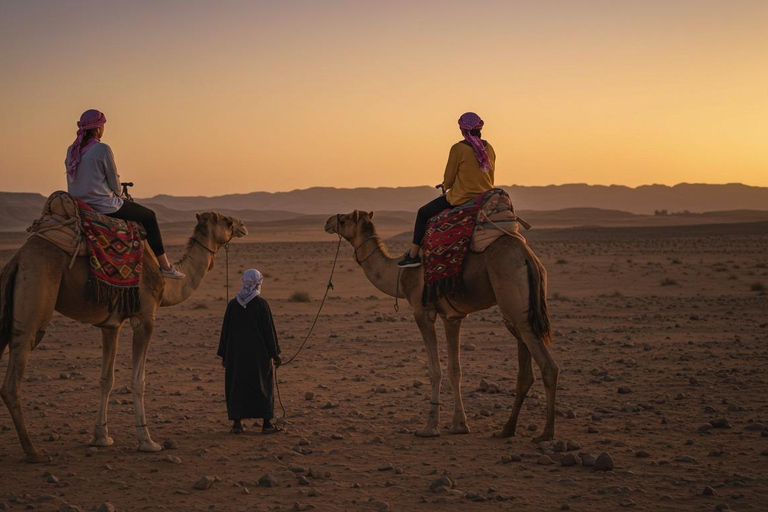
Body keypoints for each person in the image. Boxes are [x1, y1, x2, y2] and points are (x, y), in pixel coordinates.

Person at [65, 109, 185, 279]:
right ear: (98, 128)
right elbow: (114, 182)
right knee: (149, 216)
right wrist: (119, 194)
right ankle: (165, 266)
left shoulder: (72, 150)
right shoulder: (102, 149)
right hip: (102, 205)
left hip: (78, 204)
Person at [398, 112, 497, 268]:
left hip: (462, 198)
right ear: (480, 128)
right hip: (485, 198)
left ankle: (412, 256)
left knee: (423, 213)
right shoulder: (488, 147)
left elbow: (449, 180)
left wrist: (447, 184)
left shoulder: (458, 148)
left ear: (462, 129)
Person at [217, 269, 282, 434]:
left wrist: (224, 355)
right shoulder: (261, 304)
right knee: (263, 385)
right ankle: (267, 424)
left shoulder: (233, 304)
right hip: (259, 355)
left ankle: (237, 424)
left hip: (235, 355)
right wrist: (275, 354)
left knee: (236, 386)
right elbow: (269, 332)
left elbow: (225, 332)